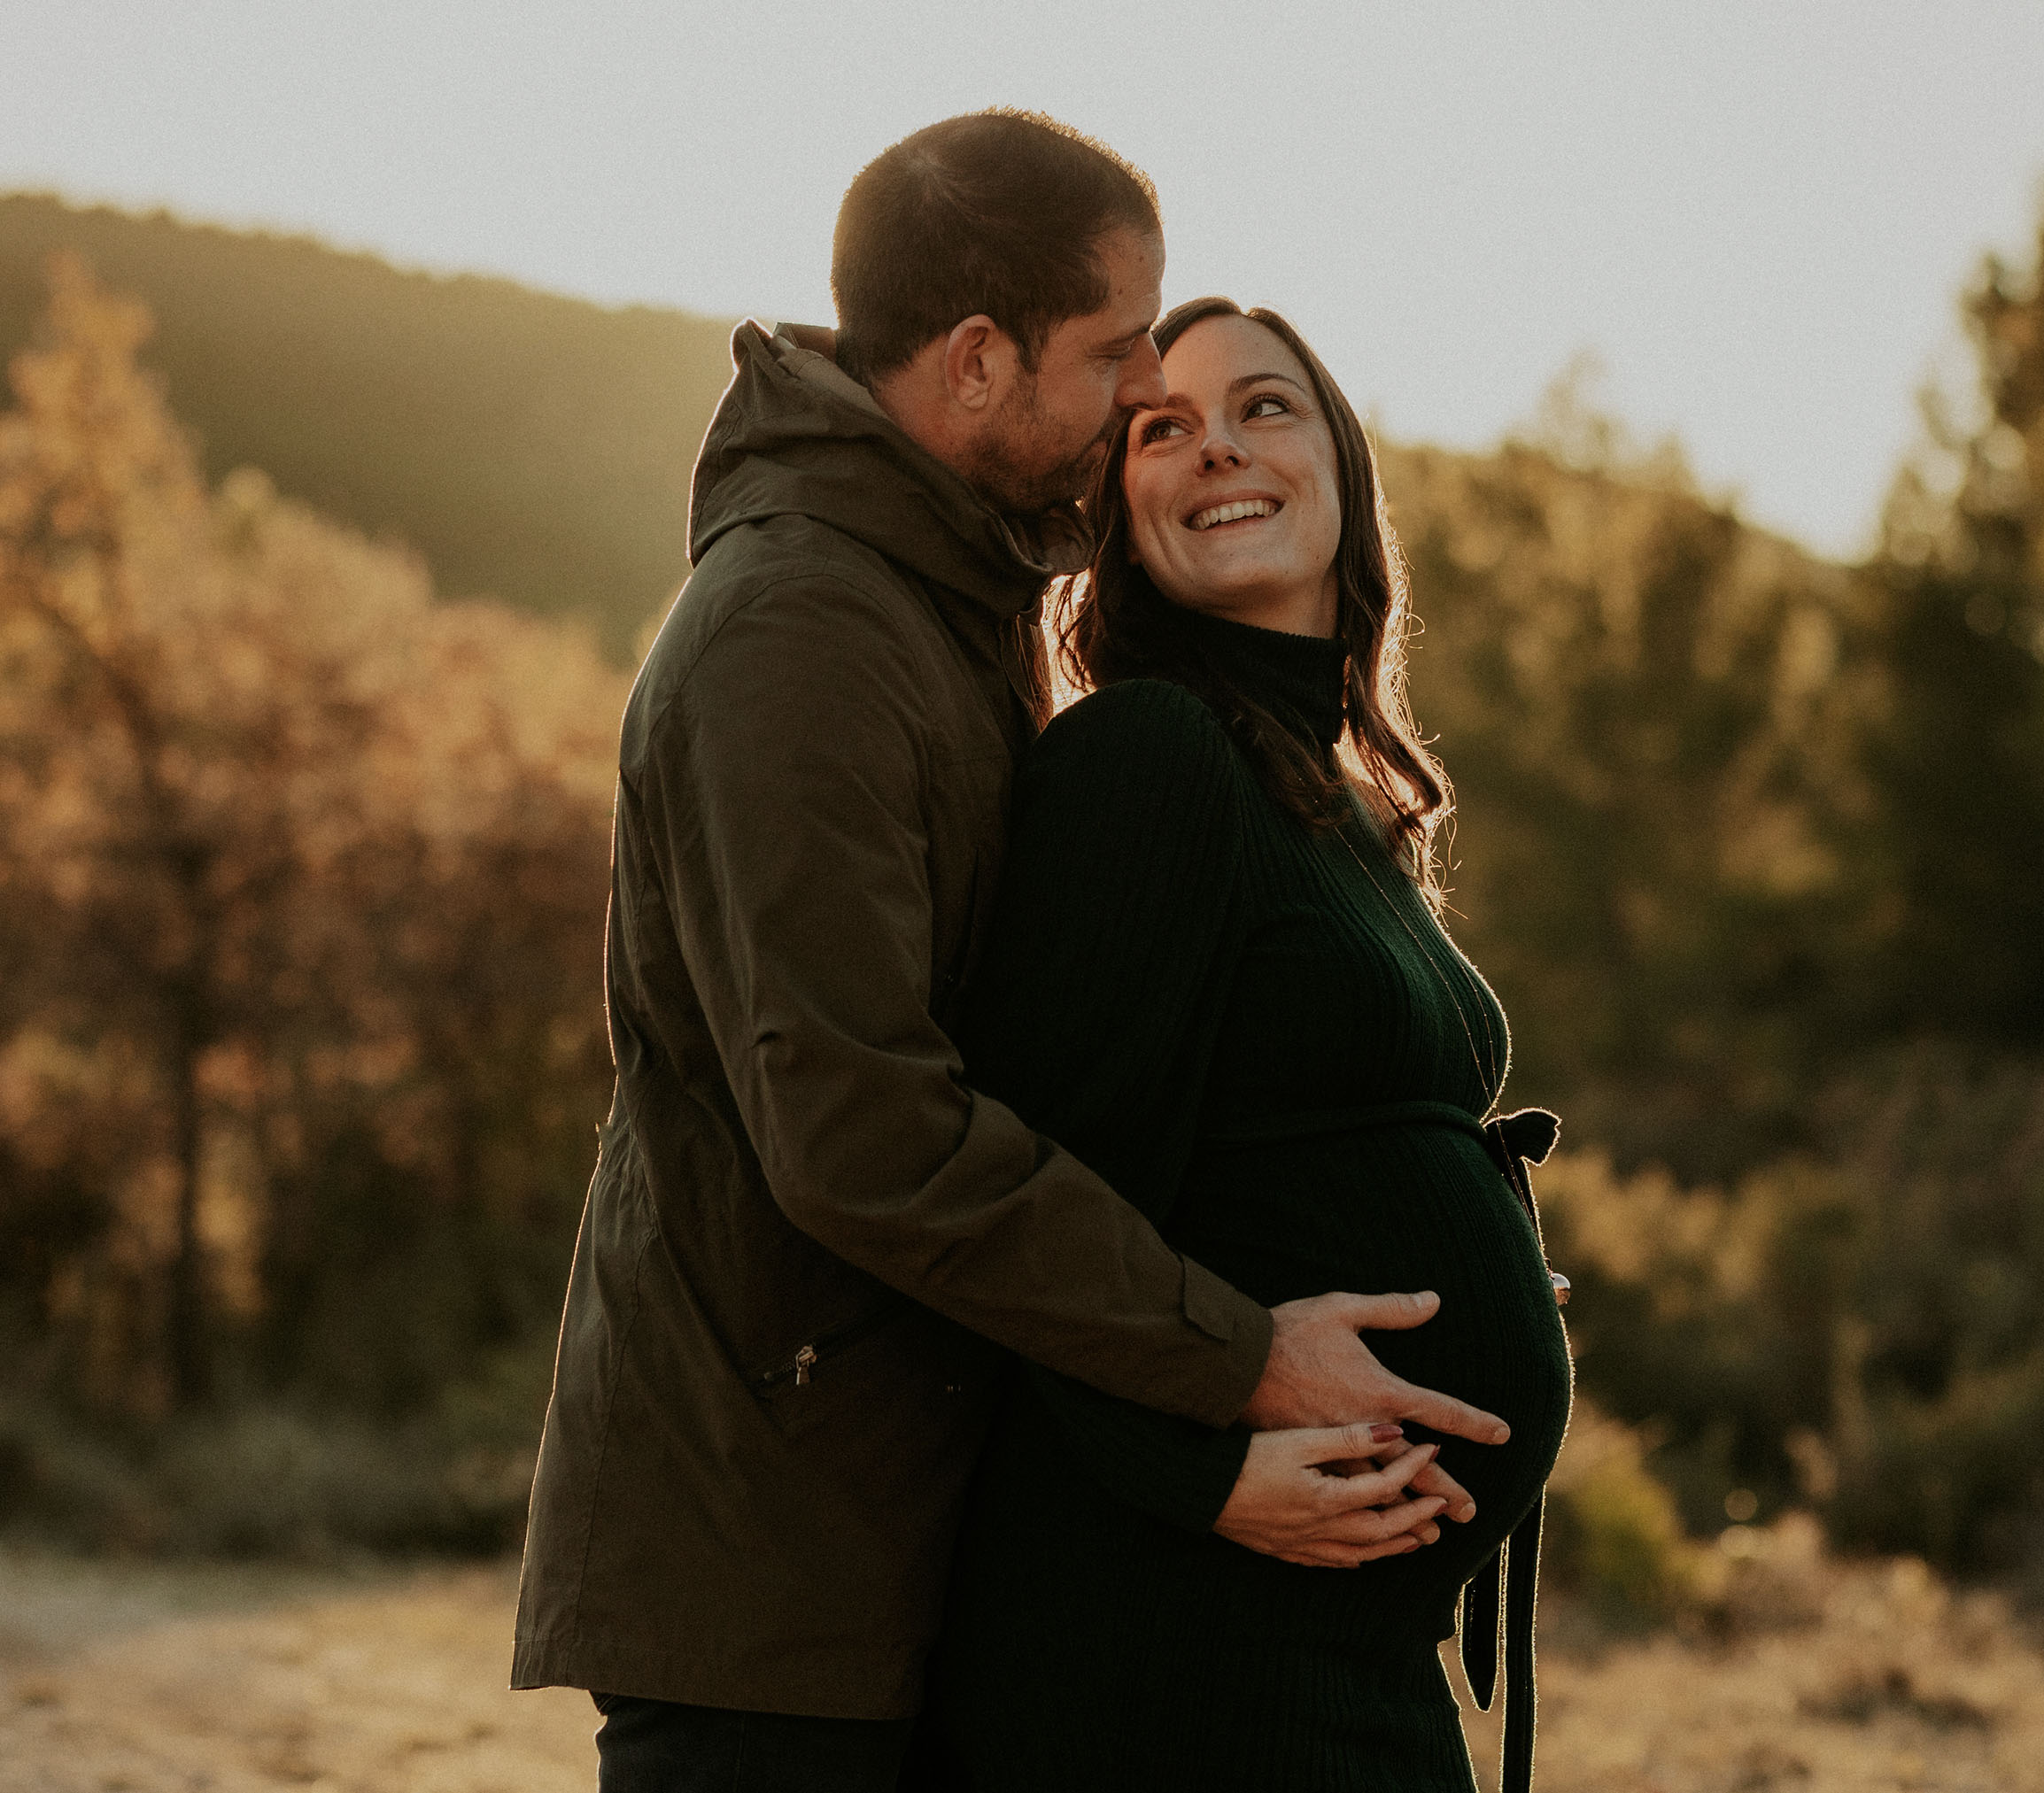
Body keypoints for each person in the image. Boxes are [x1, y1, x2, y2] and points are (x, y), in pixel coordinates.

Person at [509, 112, 1512, 1792]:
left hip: (907, 1526)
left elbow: (1067, 1084)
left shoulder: (942, 612)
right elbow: (863, 1129)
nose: (1149, 391)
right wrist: (1236, 1364)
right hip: (783, 1557)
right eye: (1121, 352)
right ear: (979, 362)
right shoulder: (801, 633)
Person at [920, 298, 1576, 1793]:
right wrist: (1203, 1470)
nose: (1215, 442)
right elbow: (1037, 1201)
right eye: (1161, 426)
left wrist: (1468, 1249)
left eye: (1263, 406)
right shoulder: (1148, 755)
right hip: (1182, 1640)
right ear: (1121, 512)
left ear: (1344, 470)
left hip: (1333, 1642)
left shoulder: (1330, 799)